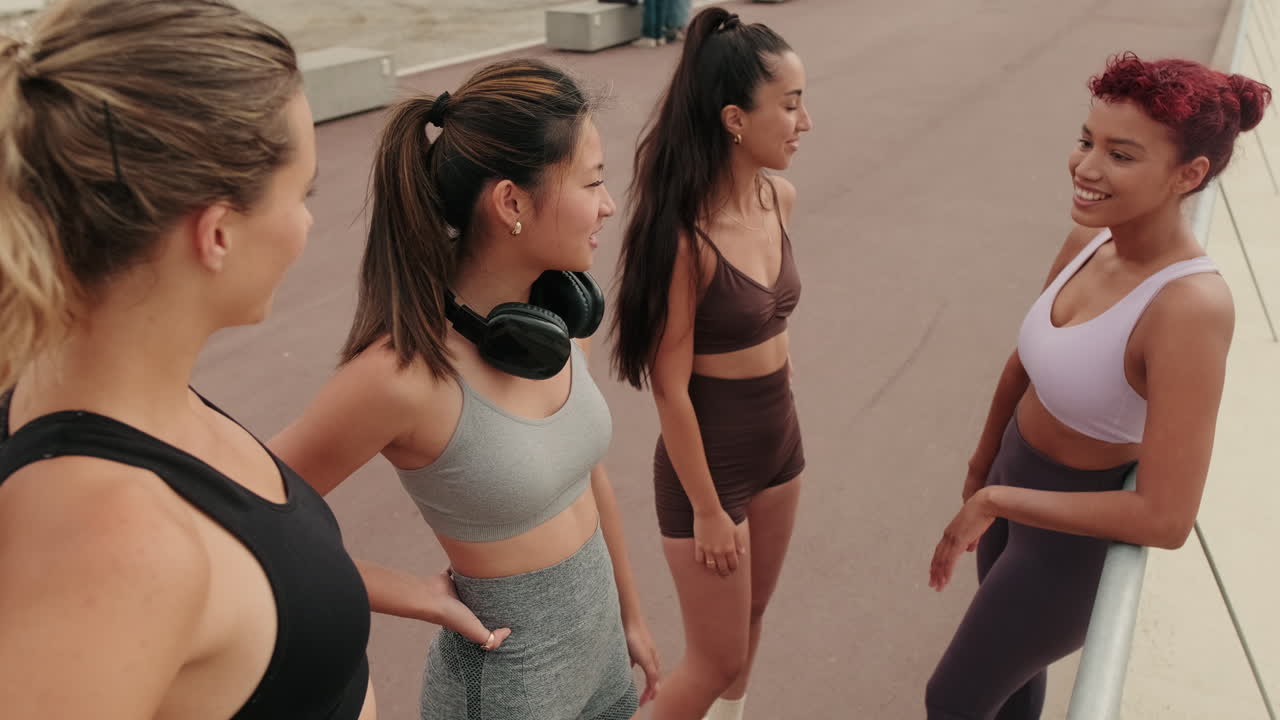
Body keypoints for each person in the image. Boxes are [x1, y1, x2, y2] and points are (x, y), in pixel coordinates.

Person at [0, 1, 375, 717]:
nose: (306, 222)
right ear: (218, 233)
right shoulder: (106, 540)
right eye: (303, 193)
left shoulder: (126, 395)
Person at [269, 58, 660, 720]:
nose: (608, 203)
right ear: (511, 201)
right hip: (509, 691)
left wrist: (632, 614)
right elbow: (236, 513)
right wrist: (413, 592)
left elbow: (589, 477)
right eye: (592, 180)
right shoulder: (401, 376)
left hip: (602, 666)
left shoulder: (555, 324)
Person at [925, 52, 1271, 720]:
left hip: (1064, 548)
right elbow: (1025, 361)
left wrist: (998, 495)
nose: (1085, 167)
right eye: (1086, 140)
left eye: (1120, 154)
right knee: (1011, 691)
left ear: (1189, 174)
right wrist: (981, 467)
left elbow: (1166, 519)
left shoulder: (1189, 308)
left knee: (955, 700)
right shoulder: (1090, 238)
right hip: (1009, 496)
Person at [610, 8, 812, 720]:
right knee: (712, 658)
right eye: (789, 106)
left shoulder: (778, 197)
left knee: (752, 617)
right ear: (734, 118)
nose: (804, 122)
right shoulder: (685, 237)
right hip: (712, 465)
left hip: (779, 443)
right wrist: (707, 508)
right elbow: (668, 386)